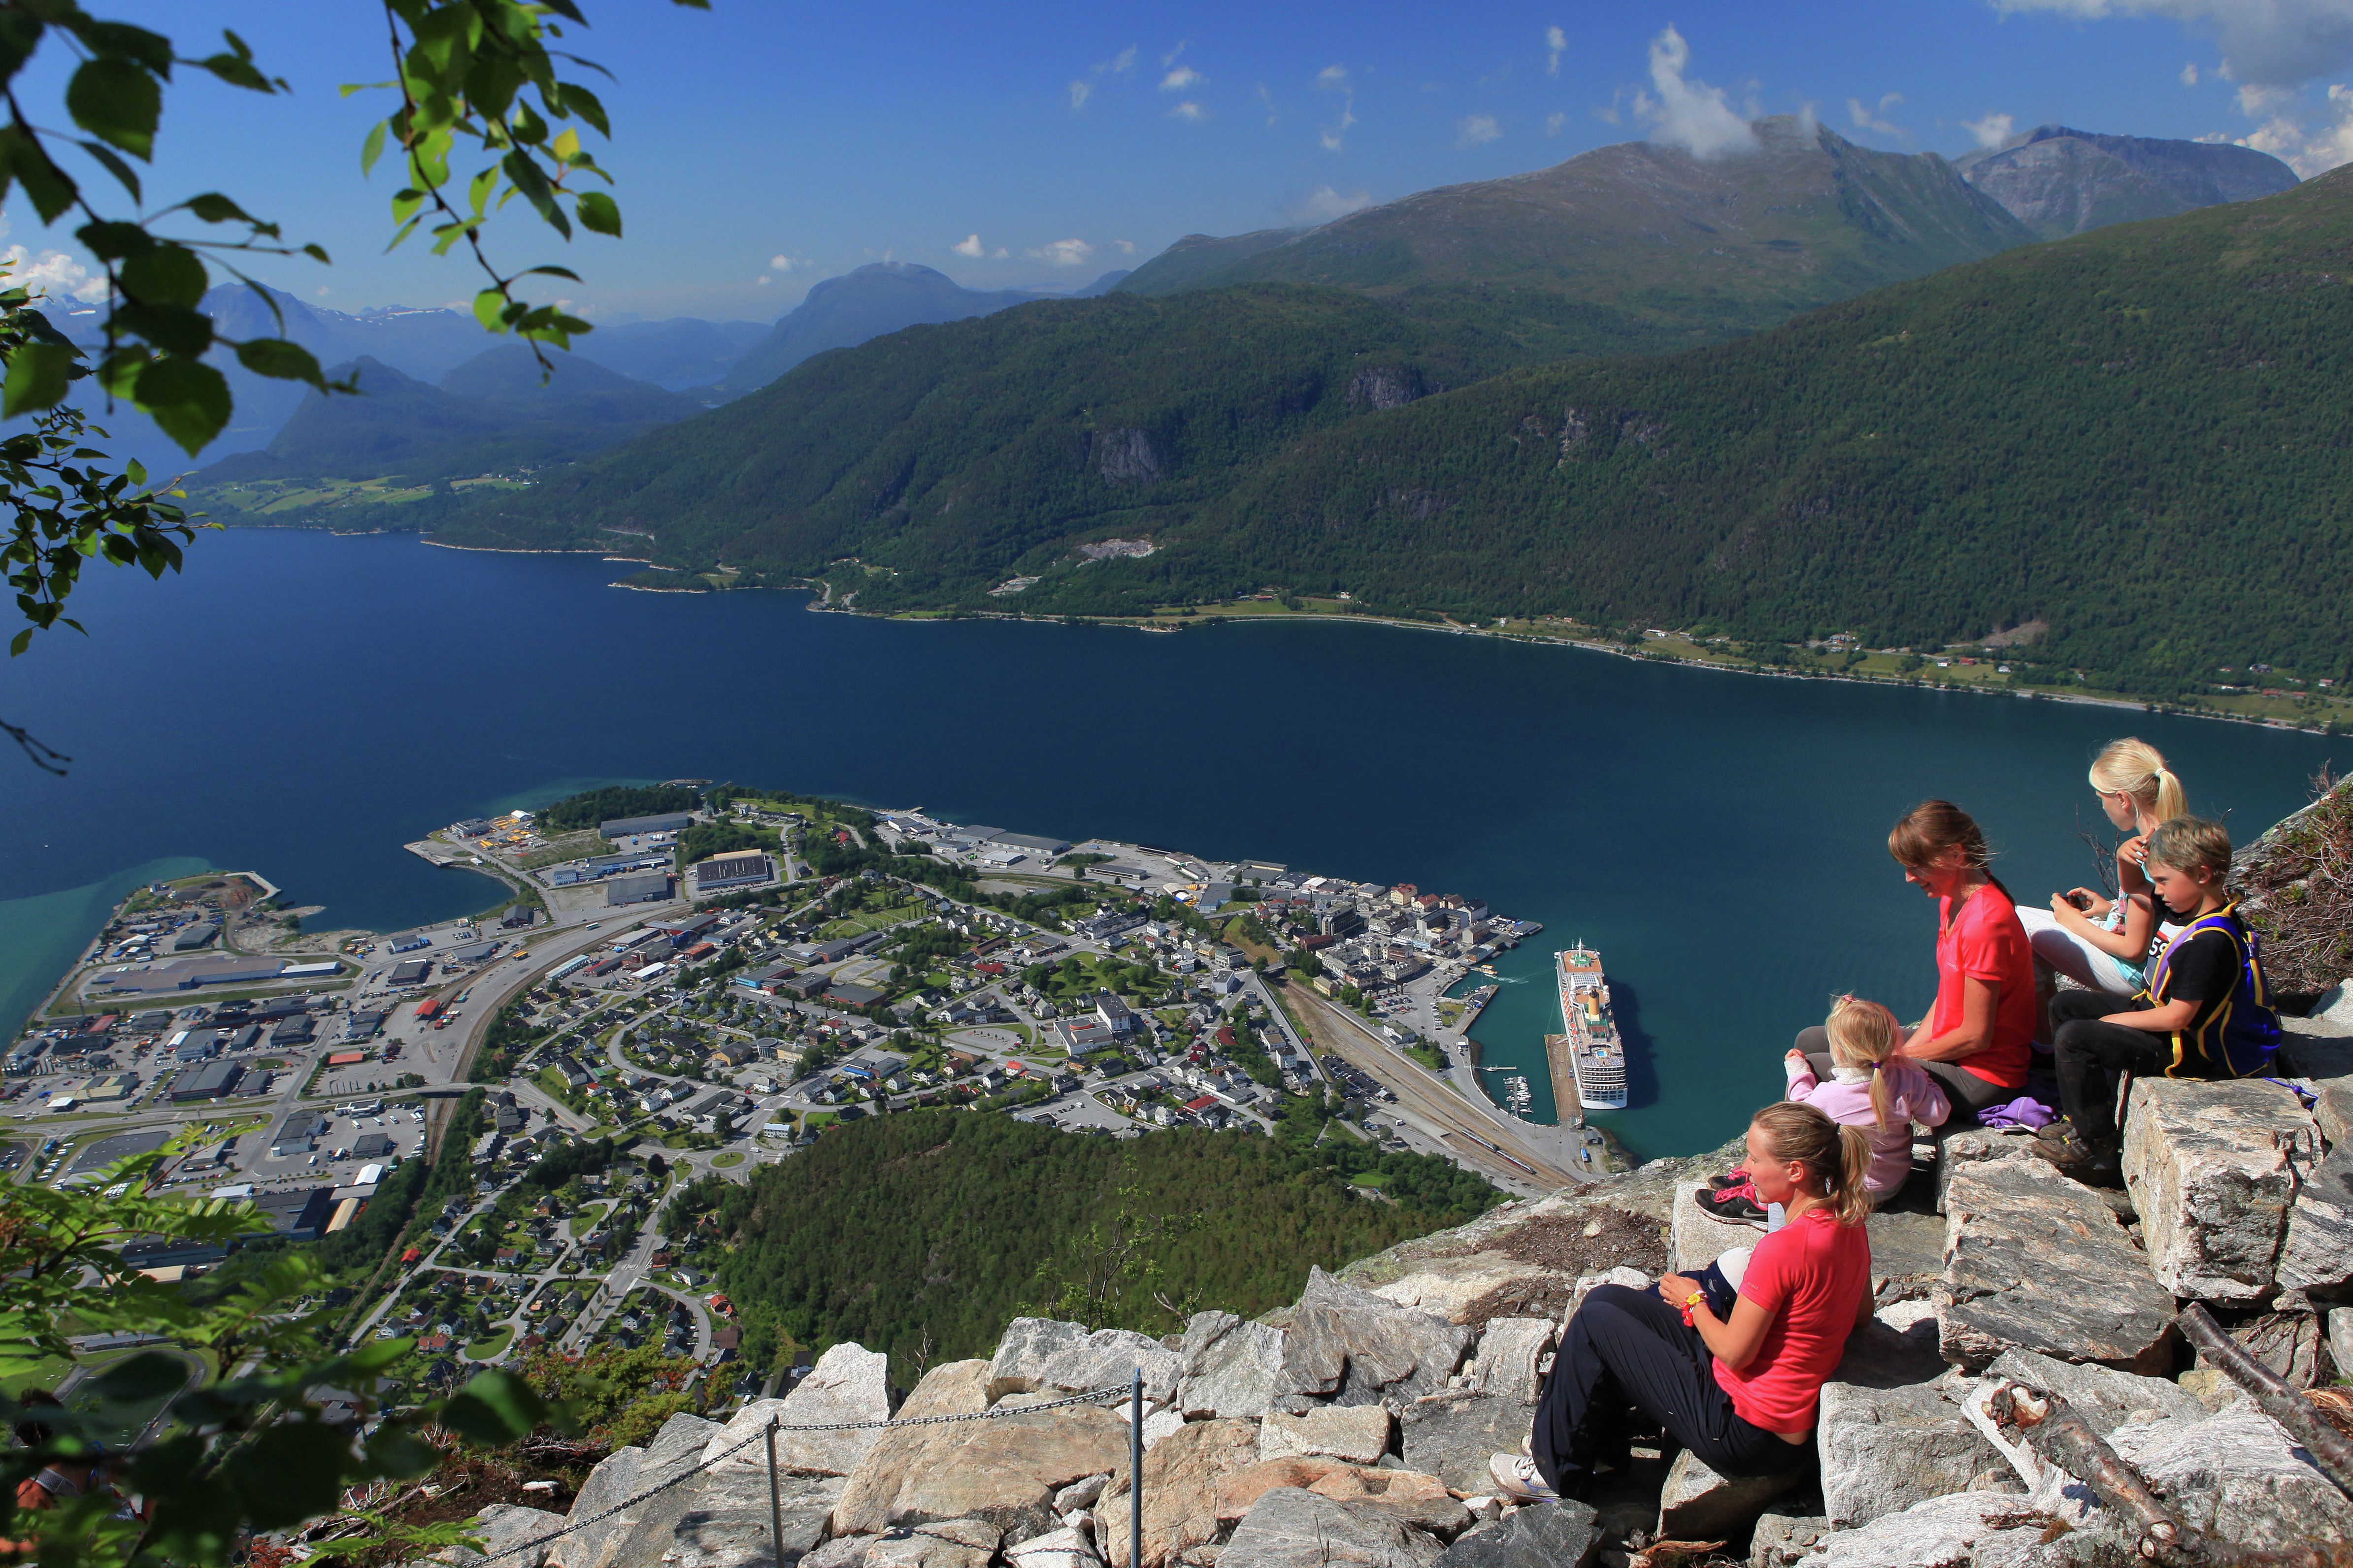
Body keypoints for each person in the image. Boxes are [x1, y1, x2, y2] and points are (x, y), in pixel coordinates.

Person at [1493, 1102, 1875, 1503]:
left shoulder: (1783, 1248)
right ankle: (1595, 1449)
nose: (1744, 1168)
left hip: (1744, 1430)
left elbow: (1733, 1354)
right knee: (1606, 1300)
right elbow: (1862, 1316)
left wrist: (1693, 1301)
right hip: (1766, 1413)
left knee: (1594, 1326)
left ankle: (1555, 1474)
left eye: (1755, 1158)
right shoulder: (1848, 1223)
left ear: (1795, 1171)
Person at [2035, 817, 2282, 1182]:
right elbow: (2135, 889)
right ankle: (2083, 1113)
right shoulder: (2185, 909)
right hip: (2164, 1018)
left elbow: (2177, 1017)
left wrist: (2111, 1023)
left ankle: (2096, 1148)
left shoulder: (2209, 942)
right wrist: (2123, 859)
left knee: (2076, 1036)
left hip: (2193, 1049)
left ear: (2200, 874)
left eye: (2163, 880)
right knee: (2065, 1006)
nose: (2159, 890)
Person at [1882, 800, 2038, 1122]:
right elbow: (1947, 995)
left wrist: (1898, 1058)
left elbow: (1975, 1036)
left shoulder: (1985, 922)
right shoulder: (1952, 902)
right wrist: (1899, 1056)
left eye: (1917, 865)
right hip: (1952, 1056)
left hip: (1981, 1076)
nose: (1909, 878)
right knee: (1812, 1041)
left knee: (1822, 1067)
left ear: (1955, 854)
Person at [2016, 739, 2186, 996]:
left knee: (2016, 921)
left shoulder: (2148, 853)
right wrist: (2112, 910)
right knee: (2020, 915)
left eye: (2102, 798)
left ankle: (2042, 1031)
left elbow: (2134, 950)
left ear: (2122, 799)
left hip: (2133, 974)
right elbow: (2157, 914)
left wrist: (2074, 922)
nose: (2103, 807)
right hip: (2154, 964)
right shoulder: (2175, 837)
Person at [1775, 995, 1950, 1209]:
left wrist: (1798, 1072)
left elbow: (1799, 1108)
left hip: (1849, 1191)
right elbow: (1937, 1115)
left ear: (1839, 1050)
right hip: (1893, 1183)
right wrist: (1921, 1075)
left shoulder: (1828, 1097)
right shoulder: (1906, 1078)